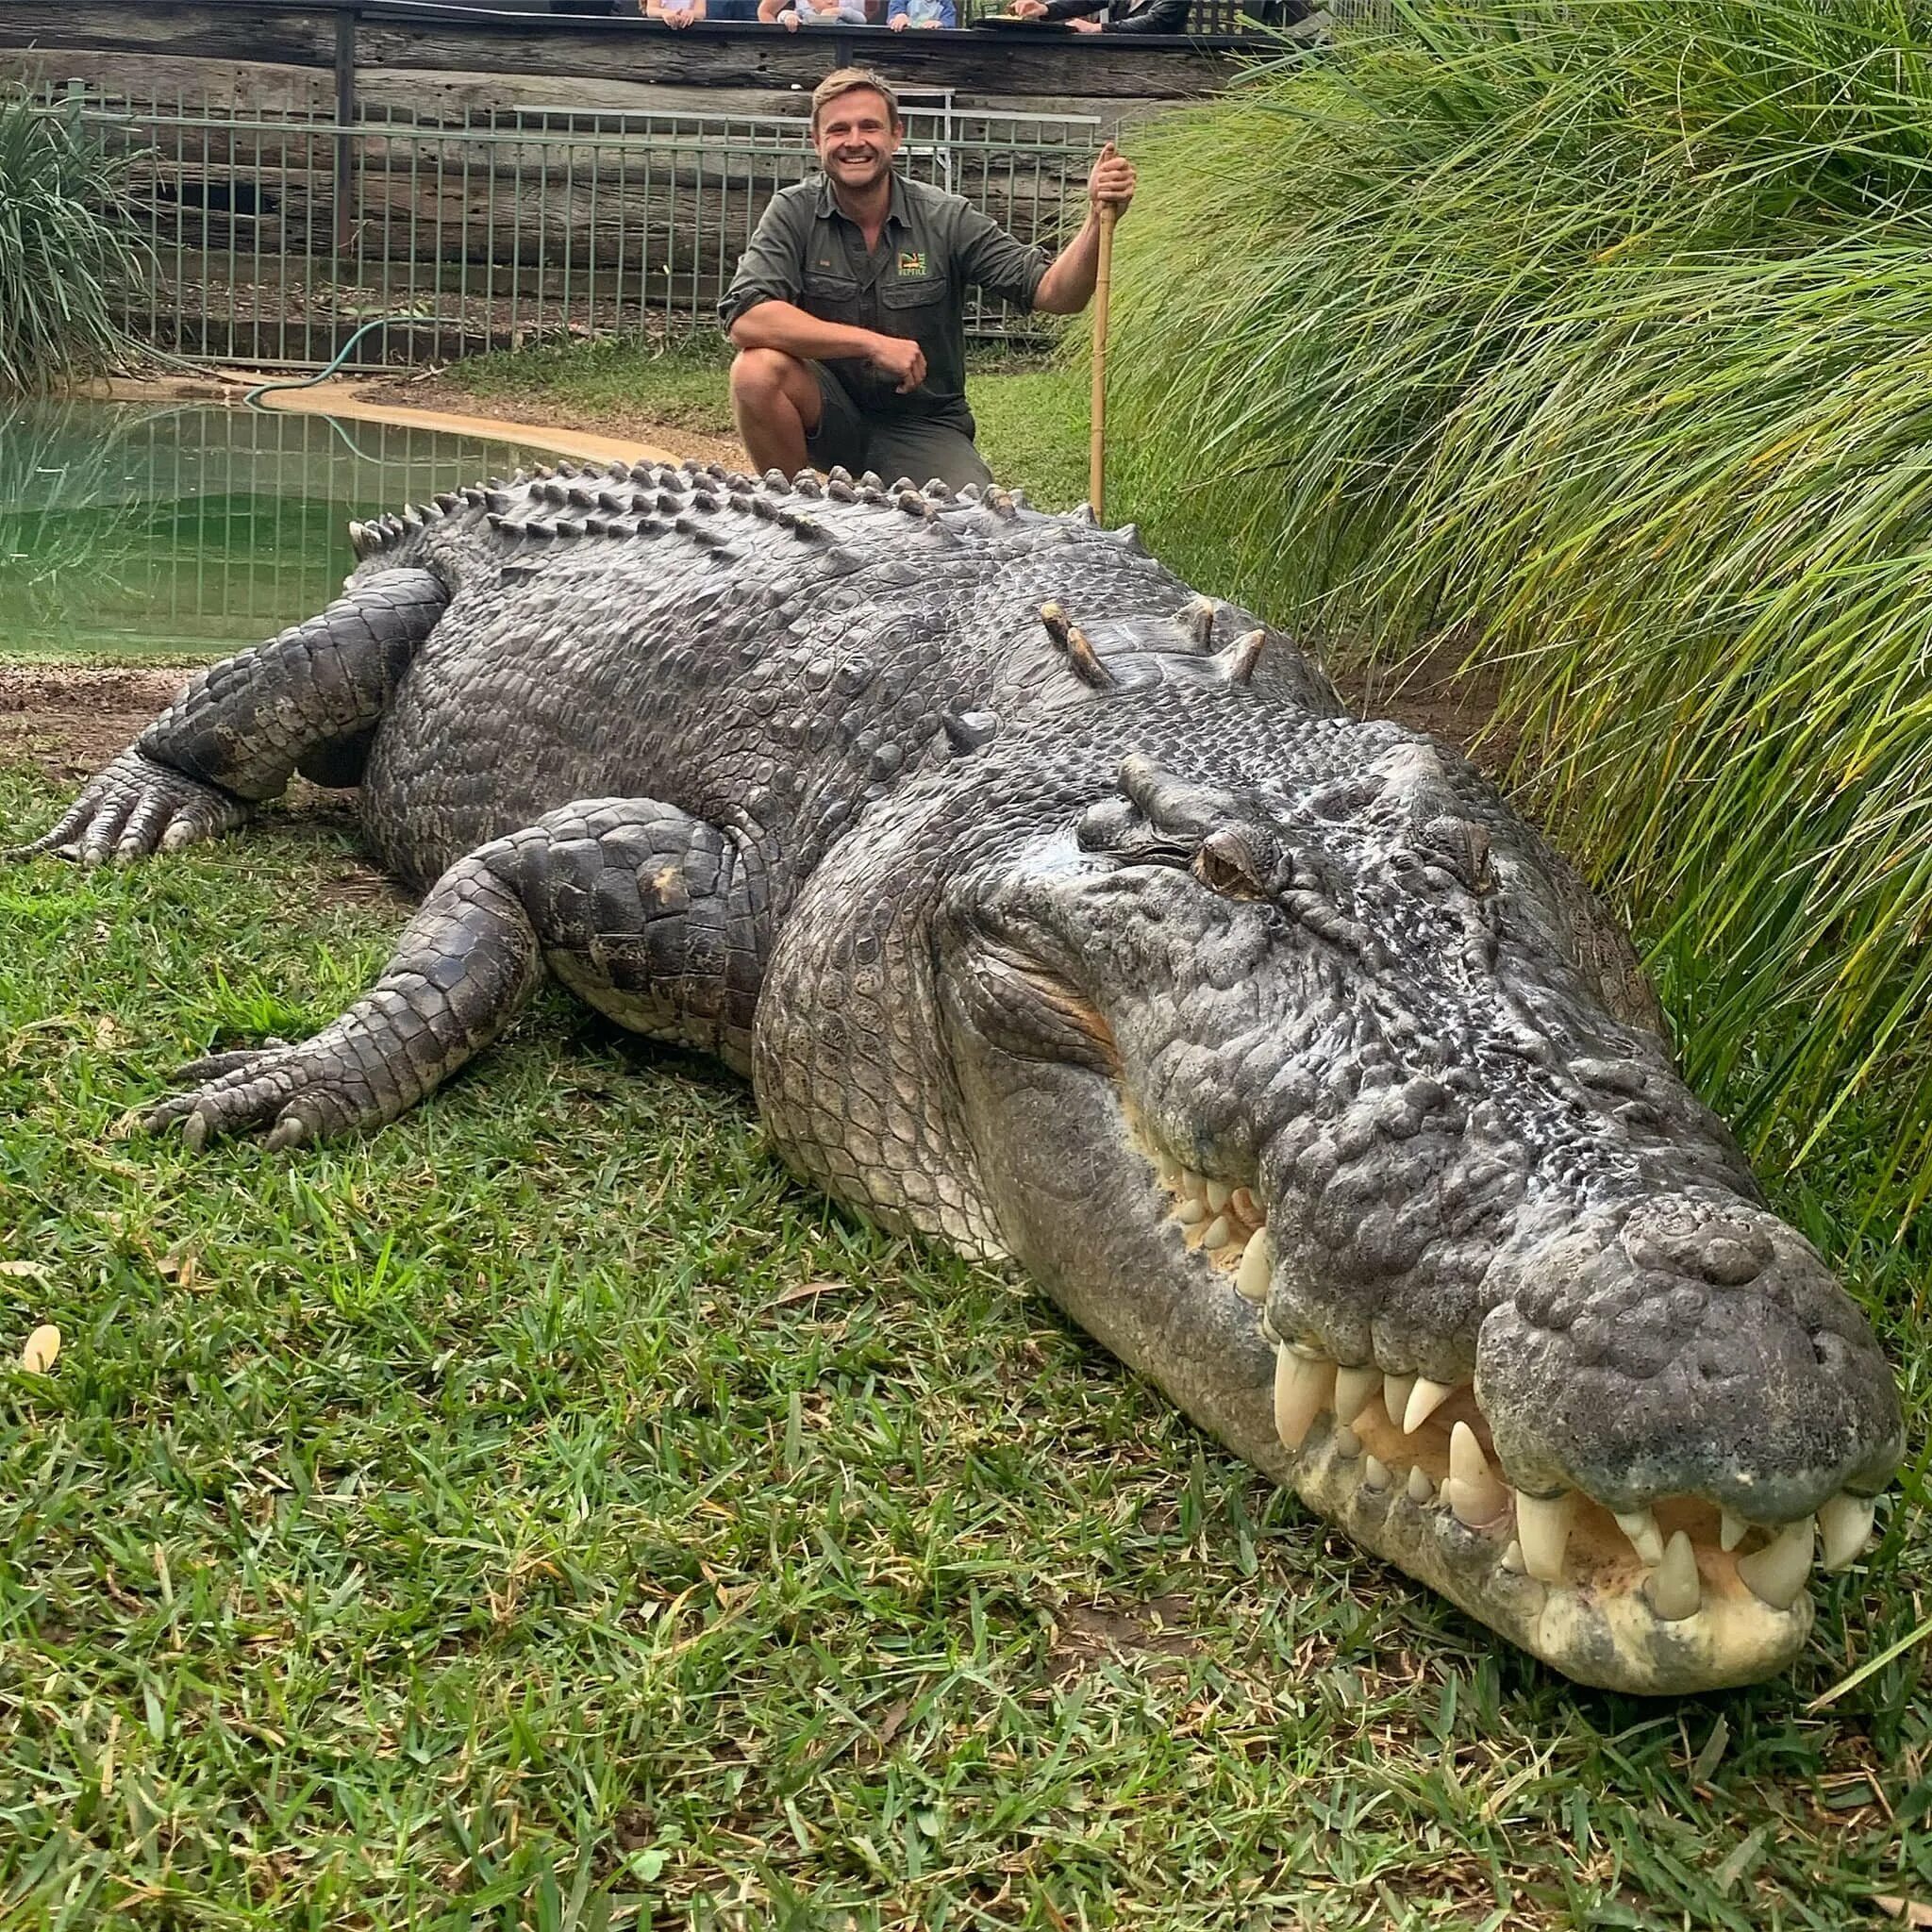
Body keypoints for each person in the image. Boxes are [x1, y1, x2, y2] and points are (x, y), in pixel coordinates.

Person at [722, 68, 1136, 491]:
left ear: (896, 136)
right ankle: (796, 512)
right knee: (756, 371)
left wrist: (1095, 222)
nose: (854, 141)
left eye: (870, 126)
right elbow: (747, 318)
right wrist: (871, 343)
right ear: (817, 141)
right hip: (829, 413)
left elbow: (1055, 293)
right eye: (838, 130)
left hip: (924, 425)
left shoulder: (946, 217)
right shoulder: (792, 211)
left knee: (971, 523)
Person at [1007, 0, 1191, 30]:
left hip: (1159, 63)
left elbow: (1157, 21)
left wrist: (1097, 28)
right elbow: (1088, 1)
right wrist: (1045, 9)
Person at [758, 0, 869, 28]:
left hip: (850, 46)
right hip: (807, 48)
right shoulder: (803, 12)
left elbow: (869, 13)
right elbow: (766, 11)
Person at [888, 0, 957, 26]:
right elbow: (895, 9)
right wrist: (899, 16)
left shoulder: (945, 3)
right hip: (903, 41)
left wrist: (941, 23)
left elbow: (950, 21)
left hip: (933, 43)